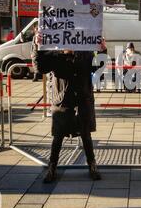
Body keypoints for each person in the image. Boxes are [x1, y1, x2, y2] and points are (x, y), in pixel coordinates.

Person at [31, 32, 101, 183]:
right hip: (62, 101)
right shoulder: (55, 56)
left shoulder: (85, 54)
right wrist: (37, 46)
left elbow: (99, 69)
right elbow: (39, 68)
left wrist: (102, 50)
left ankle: (92, 165)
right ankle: (52, 167)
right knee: (58, 137)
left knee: (86, 135)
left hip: (82, 100)